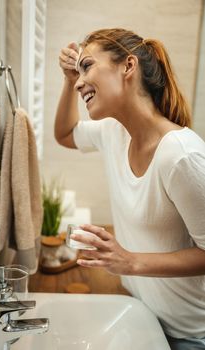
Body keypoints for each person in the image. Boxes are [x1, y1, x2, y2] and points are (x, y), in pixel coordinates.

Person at [54, 28, 205, 350]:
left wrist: (130, 261)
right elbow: (65, 134)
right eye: (77, 72)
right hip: (141, 313)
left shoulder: (180, 155)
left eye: (87, 66)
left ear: (128, 66)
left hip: (188, 334)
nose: (80, 81)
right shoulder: (114, 131)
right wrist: (66, 82)